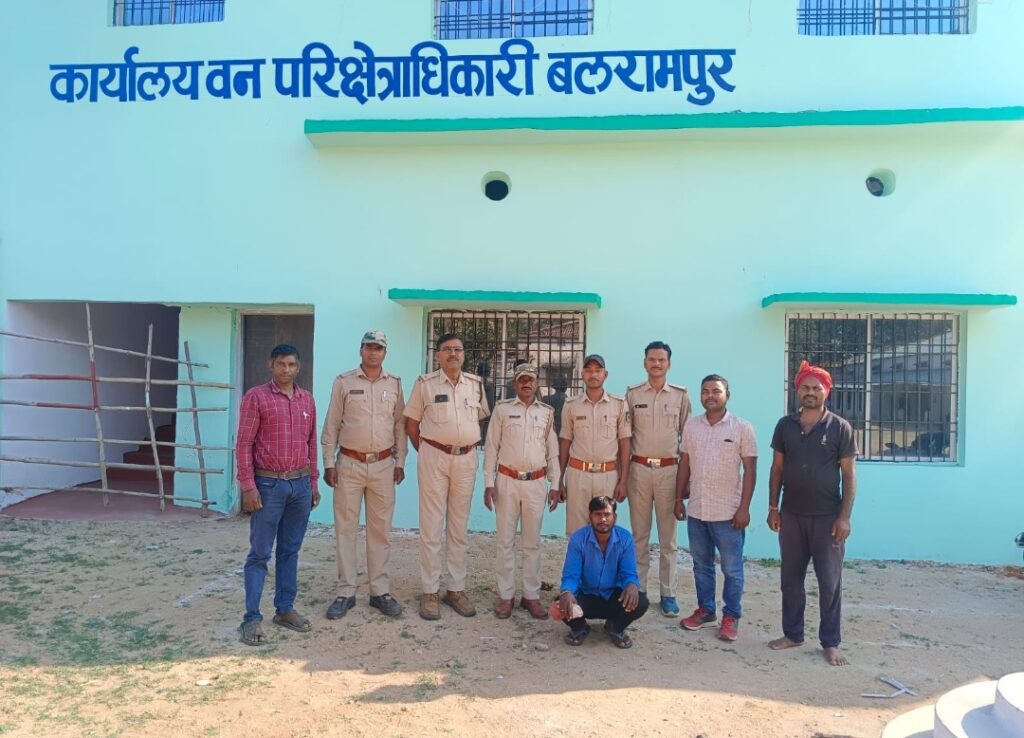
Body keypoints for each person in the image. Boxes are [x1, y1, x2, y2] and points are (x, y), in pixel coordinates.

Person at [767, 360, 857, 666]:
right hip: (791, 515)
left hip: (827, 518)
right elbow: (777, 469)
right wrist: (773, 507)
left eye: (816, 387)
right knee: (790, 579)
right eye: (805, 387)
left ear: (826, 391)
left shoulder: (840, 428)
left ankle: (830, 642)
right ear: (797, 390)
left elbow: (849, 476)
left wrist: (844, 517)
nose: (810, 392)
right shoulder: (785, 426)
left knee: (829, 582)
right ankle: (792, 634)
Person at [236, 344, 321, 646]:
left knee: (290, 551)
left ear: (299, 367)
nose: (287, 370)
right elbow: (244, 444)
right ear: (270, 365)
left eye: (292, 365)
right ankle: (251, 618)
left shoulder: (307, 399)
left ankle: (284, 609)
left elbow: (311, 443)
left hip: (300, 485)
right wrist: (248, 486)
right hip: (268, 486)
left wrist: (313, 482)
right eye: (281, 364)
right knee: (260, 553)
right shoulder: (256, 397)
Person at [321, 330, 407, 619]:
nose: (373, 352)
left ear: (385, 353)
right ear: (360, 351)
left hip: (383, 465)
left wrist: (400, 461)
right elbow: (332, 424)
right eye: (368, 347)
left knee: (380, 531)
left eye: (378, 348)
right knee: (345, 529)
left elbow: (399, 425)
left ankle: (379, 591)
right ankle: (345, 592)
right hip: (349, 464)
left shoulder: (394, 384)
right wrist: (329, 463)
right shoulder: (344, 382)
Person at [404, 333, 490, 620]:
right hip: (434, 458)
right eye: (447, 349)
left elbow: (479, 420)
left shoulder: (476, 385)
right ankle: (430, 591)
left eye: (458, 349)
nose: (453, 354)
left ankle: (456, 589)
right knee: (431, 525)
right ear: (438, 355)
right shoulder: (425, 384)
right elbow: (411, 424)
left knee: (458, 526)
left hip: (466, 459)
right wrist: (429, 451)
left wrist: (460, 442)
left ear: (464, 354)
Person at [674, 374, 757, 641]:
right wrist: (678, 499)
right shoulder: (691, 426)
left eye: (716, 391)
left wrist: (744, 508)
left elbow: (750, 471)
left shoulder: (742, 427)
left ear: (727, 395)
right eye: (706, 391)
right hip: (697, 510)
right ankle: (706, 610)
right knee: (701, 565)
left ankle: (731, 616)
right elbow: (685, 464)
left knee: (732, 569)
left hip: (728, 513)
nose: (710, 395)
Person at [483, 363, 560, 620]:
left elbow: (552, 452)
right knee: (505, 541)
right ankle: (506, 596)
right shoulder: (502, 410)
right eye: (522, 379)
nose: (526, 383)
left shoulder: (546, 413)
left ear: (537, 384)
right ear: (515, 384)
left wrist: (555, 484)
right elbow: (491, 447)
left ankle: (531, 596)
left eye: (531, 379)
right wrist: (488, 483)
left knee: (532, 542)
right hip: (507, 481)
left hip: (536, 483)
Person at [625, 340, 692, 617]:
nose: (656, 364)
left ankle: (668, 593)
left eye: (661, 360)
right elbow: (625, 437)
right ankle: (639, 591)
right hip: (639, 471)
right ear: (645, 363)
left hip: (669, 472)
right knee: (639, 536)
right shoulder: (632, 395)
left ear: (669, 364)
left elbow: (688, 440)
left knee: (668, 539)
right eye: (652, 359)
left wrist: (686, 481)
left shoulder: (680, 396)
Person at [555, 496, 649, 648]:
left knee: (641, 601)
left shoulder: (625, 538)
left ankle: (615, 627)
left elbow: (628, 573)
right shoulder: (578, 538)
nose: (603, 519)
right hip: (585, 596)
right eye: (598, 514)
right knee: (559, 604)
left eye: (607, 514)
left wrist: (632, 584)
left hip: (613, 597)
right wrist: (566, 592)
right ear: (590, 517)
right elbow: (571, 575)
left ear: (615, 517)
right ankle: (580, 627)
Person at [554, 354, 631, 536]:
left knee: (604, 529)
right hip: (577, 475)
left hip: (607, 476)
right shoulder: (571, 405)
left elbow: (625, 443)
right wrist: (559, 479)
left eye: (598, 370)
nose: (593, 374)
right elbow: (565, 442)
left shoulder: (619, 404)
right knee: (576, 530)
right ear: (582, 375)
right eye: (588, 370)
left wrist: (623, 481)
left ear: (605, 374)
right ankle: (578, 556)